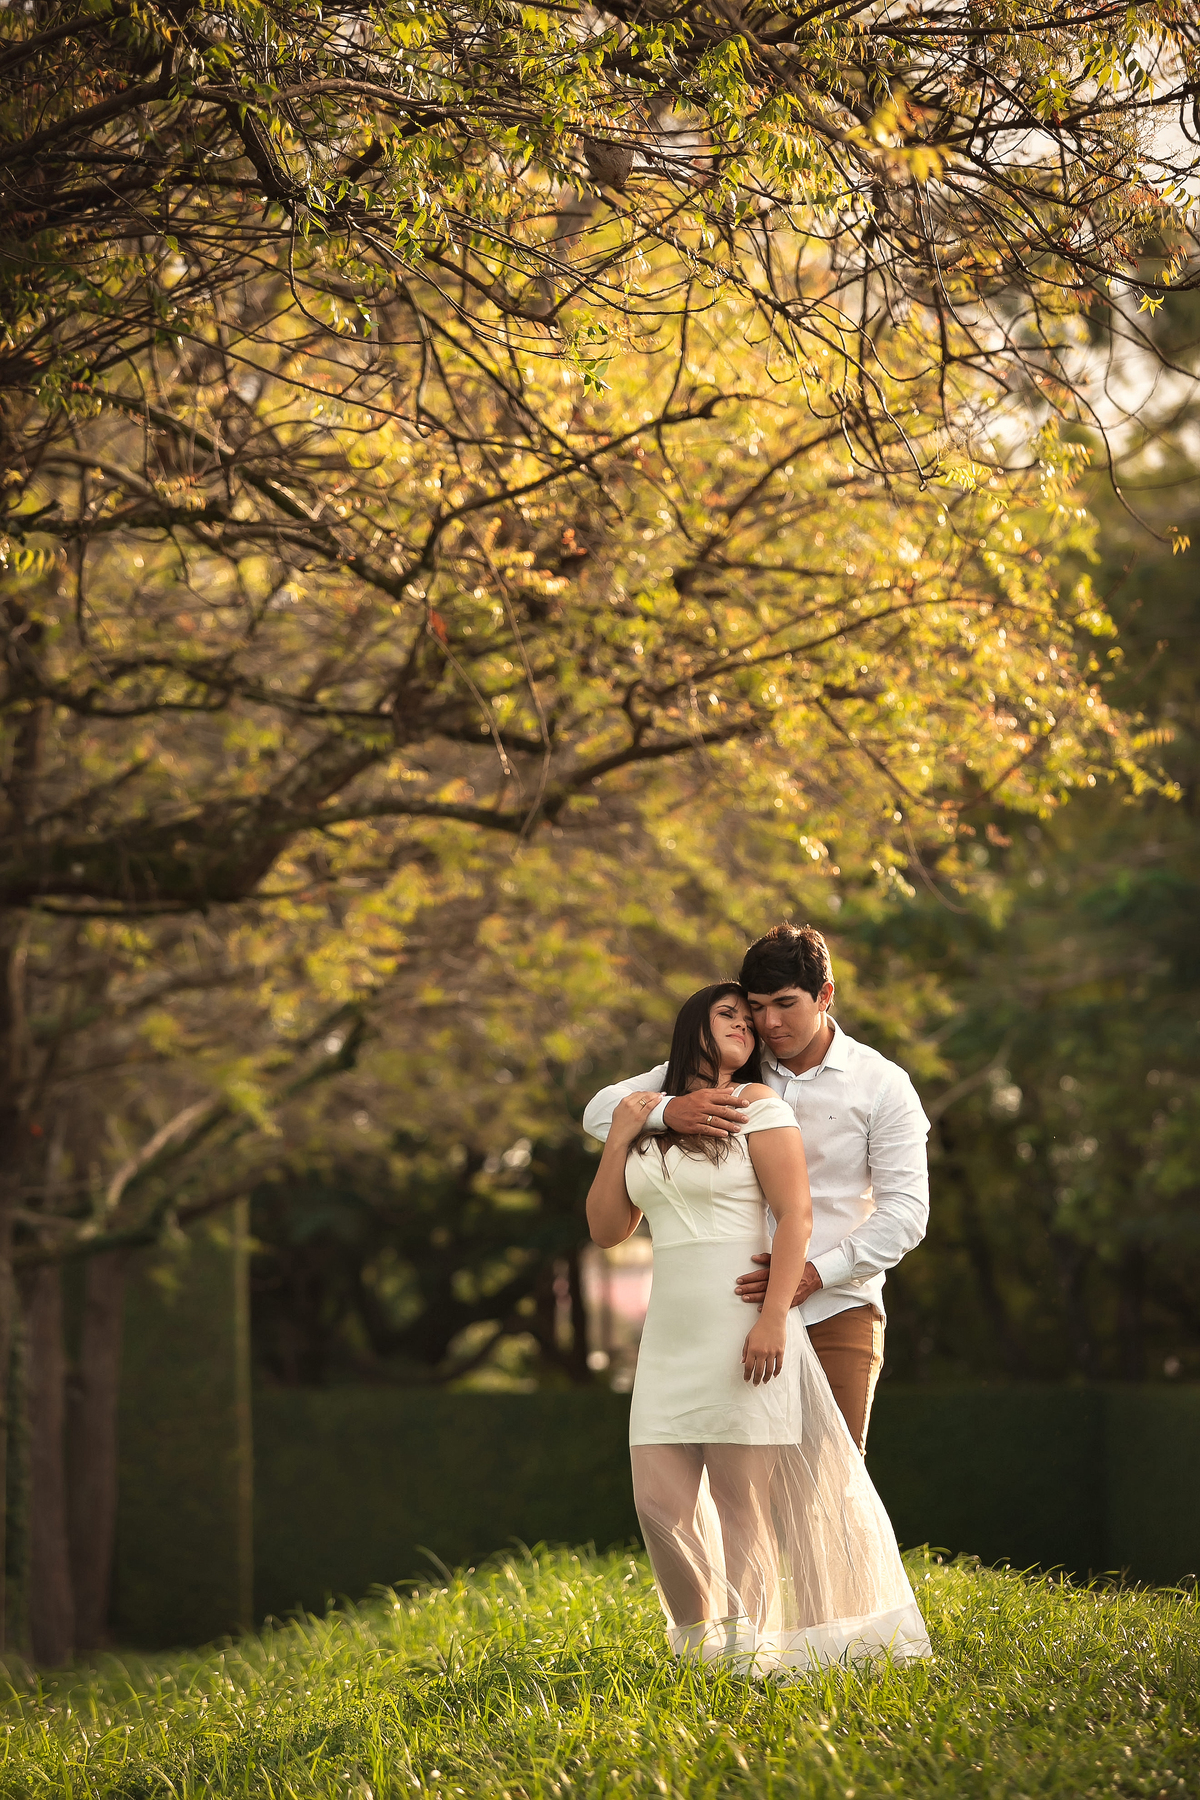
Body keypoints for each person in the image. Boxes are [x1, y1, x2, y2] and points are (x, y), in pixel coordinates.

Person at [586, 981, 930, 1673]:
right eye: (732, 1014)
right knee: (657, 1504)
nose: (750, 1025)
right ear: (693, 1024)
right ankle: (697, 1649)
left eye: (755, 1017)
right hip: (670, 1331)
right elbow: (605, 1229)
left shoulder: (761, 1105)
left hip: (743, 1319)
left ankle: (749, 1656)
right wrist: (631, 1129)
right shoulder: (648, 1112)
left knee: (742, 1503)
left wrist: (773, 1318)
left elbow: (796, 1214)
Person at [583, 923, 930, 1452]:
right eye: (758, 1006)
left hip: (835, 1307)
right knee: (745, 1481)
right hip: (732, 1308)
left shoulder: (882, 1084)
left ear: (825, 995)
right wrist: (667, 1112)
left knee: (831, 1476)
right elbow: (599, 1111)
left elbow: (906, 1214)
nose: (768, 1023)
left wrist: (813, 1274)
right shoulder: (731, 1059)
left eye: (786, 1004)